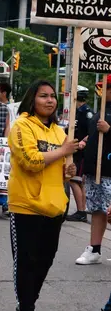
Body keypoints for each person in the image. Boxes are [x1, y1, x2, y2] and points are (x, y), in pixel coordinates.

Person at [8, 80, 78, 311]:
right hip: (26, 204)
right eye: (43, 96)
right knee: (26, 260)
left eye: (52, 96)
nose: (49, 100)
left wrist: (68, 169)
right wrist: (63, 152)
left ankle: (29, 302)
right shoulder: (21, 126)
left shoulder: (60, 133)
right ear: (31, 100)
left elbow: (63, 172)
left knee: (45, 260)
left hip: (55, 205)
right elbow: (30, 161)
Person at [76, 75, 111, 266]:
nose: (102, 92)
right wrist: (86, 141)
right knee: (97, 209)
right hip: (94, 170)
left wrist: (110, 129)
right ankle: (94, 248)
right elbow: (94, 133)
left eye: (106, 88)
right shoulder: (101, 110)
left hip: (109, 170)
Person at [66, 88, 93, 223]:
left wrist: (83, 141)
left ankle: (81, 211)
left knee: (74, 180)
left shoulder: (86, 113)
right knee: (77, 181)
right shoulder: (77, 112)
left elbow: (92, 131)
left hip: (81, 152)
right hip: (75, 149)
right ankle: (81, 210)